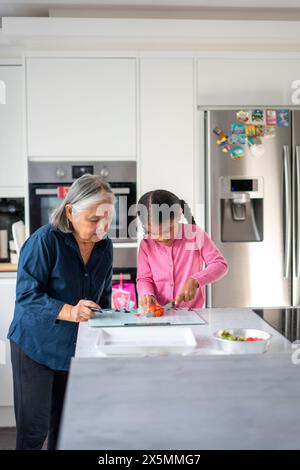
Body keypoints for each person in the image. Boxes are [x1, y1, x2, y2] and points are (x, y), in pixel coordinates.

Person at [7, 174, 115, 450]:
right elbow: (26, 298)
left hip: (73, 347)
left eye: (108, 219)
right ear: (70, 211)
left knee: (66, 427)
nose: (102, 227)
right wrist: (71, 311)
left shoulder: (105, 246)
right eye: (94, 220)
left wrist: (109, 322)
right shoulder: (44, 242)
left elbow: (102, 296)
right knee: (34, 430)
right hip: (35, 346)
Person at [136, 189, 228, 312]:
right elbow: (144, 278)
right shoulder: (146, 245)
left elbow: (220, 264)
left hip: (193, 313)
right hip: (159, 313)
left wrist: (196, 280)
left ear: (179, 216)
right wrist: (147, 293)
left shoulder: (195, 234)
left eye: (168, 230)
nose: (162, 238)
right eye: (154, 233)